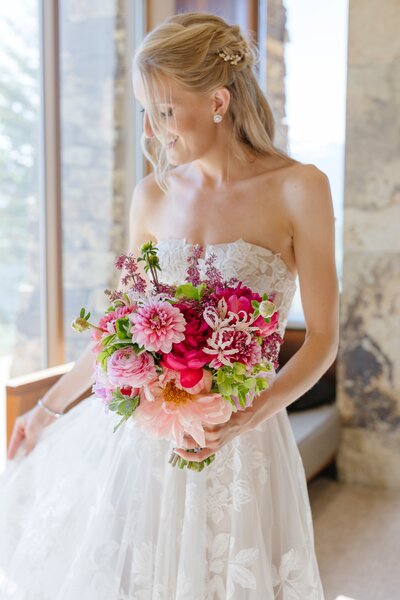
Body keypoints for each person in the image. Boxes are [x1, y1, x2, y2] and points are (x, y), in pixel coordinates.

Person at [0, 12, 339, 599]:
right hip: (144, 443)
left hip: (245, 440)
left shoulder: (299, 187)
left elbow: (324, 339)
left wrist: (247, 416)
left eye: (164, 111)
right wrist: (47, 411)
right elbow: (120, 330)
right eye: (146, 113)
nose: (154, 132)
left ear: (218, 101)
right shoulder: (152, 196)